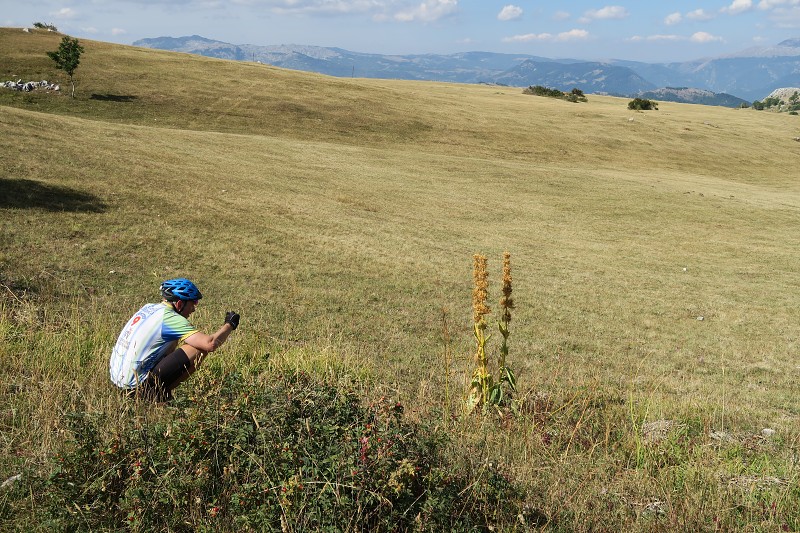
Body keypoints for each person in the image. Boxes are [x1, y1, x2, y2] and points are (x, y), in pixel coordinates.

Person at [109, 278, 240, 401]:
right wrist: (229, 325)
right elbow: (210, 344)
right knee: (199, 349)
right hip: (135, 385)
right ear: (179, 304)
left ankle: (154, 391)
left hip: (117, 381)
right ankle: (158, 396)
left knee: (173, 342)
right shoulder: (170, 318)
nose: (194, 309)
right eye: (193, 303)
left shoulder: (148, 307)